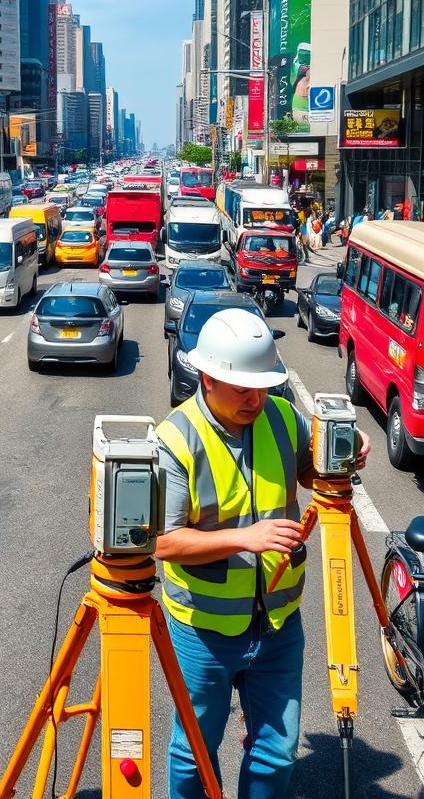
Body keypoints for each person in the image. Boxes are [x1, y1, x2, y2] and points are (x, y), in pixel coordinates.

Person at [155, 309, 370, 799]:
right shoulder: (175, 439)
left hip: (277, 621)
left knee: (276, 752)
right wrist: (243, 538)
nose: (257, 399)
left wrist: (342, 458)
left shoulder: (278, 414)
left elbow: (309, 474)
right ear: (207, 379)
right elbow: (162, 542)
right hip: (203, 630)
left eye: (264, 386)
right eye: (243, 389)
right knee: (194, 754)